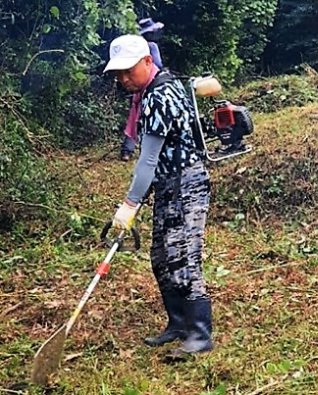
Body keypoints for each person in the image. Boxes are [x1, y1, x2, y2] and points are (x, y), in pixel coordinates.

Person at [104, 34, 213, 355]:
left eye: (129, 70)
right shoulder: (148, 91)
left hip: (187, 184)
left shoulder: (160, 95)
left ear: (148, 62)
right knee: (162, 258)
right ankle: (178, 323)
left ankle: (200, 334)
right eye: (118, 73)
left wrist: (129, 204)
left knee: (183, 257)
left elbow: (148, 159)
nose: (123, 78)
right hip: (167, 184)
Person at [120, 18, 165, 161]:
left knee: (134, 117)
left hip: (137, 89)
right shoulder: (151, 46)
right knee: (146, 118)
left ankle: (127, 151)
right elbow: (157, 64)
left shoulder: (135, 50)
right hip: (150, 87)